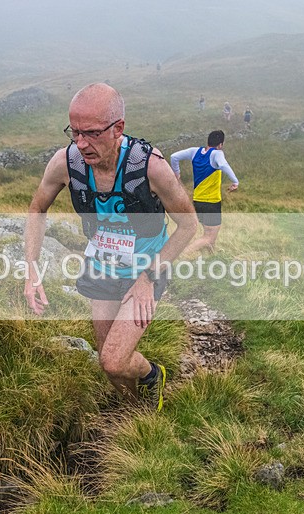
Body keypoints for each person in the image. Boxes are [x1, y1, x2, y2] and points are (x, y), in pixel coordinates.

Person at [24, 83, 197, 411]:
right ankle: (135, 411)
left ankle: (151, 374)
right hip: (101, 266)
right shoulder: (66, 164)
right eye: (73, 132)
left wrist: (148, 277)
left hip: (145, 270)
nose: (81, 143)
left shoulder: (150, 167)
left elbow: (188, 225)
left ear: (118, 128)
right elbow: (37, 210)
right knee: (109, 362)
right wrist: (31, 268)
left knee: (115, 361)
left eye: (90, 133)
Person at [170, 130, 240, 256]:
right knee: (209, 237)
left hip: (197, 201)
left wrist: (177, 173)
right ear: (220, 144)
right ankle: (181, 255)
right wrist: (235, 181)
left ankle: (211, 258)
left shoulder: (194, 151)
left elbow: (174, 157)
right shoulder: (217, 154)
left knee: (209, 234)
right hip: (211, 202)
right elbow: (223, 164)